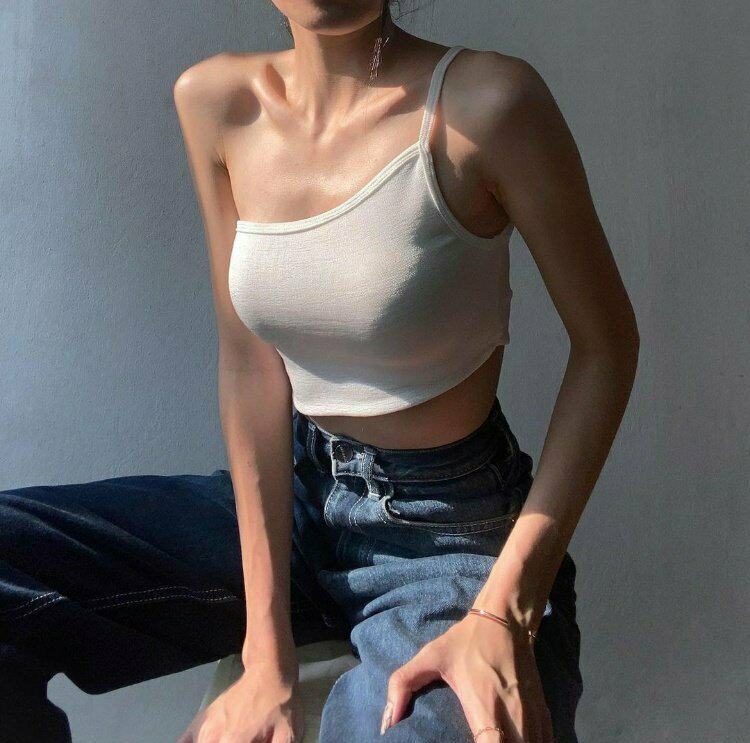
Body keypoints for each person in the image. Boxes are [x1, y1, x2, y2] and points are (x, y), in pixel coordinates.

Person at [0, 2, 639, 742]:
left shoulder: (487, 104)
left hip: (451, 531)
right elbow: (249, 361)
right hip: (297, 503)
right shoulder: (216, 101)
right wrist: (263, 650)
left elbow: (607, 347)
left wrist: (505, 611)